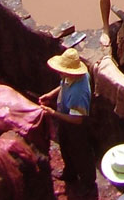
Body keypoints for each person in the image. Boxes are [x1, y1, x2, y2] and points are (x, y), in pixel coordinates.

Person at [38, 48, 95, 184]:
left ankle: (87, 182)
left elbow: (77, 119)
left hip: (75, 125)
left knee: (80, 152)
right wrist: (51, 94)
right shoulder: (70, 77)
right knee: (65, 146)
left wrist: (53, 113)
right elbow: (63, 85)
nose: (60, 73)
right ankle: (70, 173)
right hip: (65, 117)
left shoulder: (78, 93)